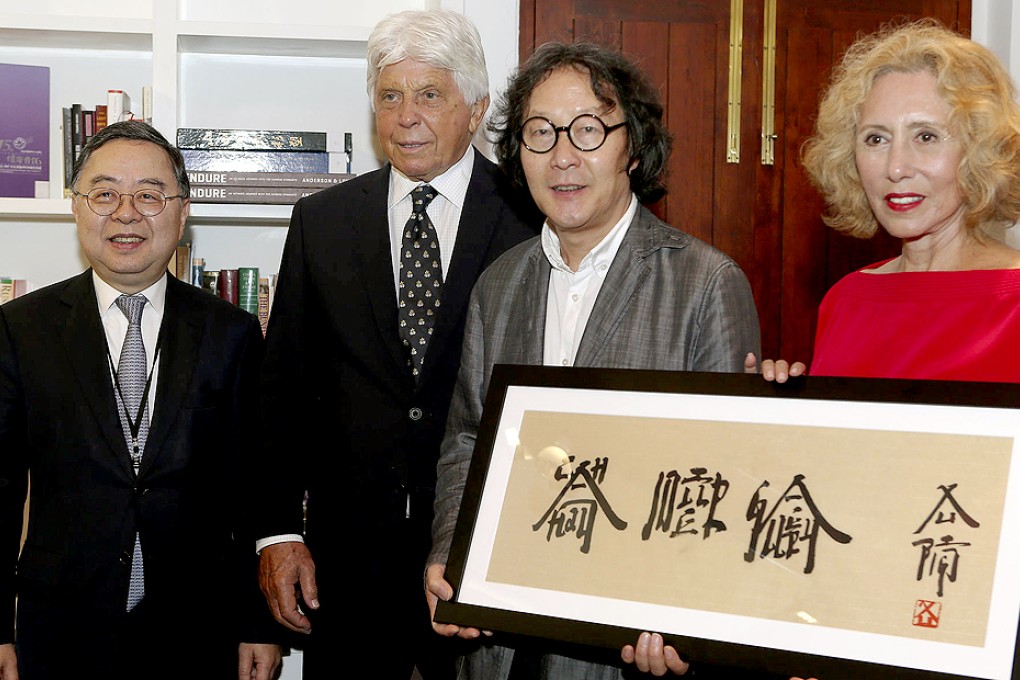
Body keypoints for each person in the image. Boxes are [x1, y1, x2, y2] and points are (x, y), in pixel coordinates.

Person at [425, 41, 761, 678]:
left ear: (632, 147)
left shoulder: (705, 283)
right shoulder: (498, 285)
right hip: (499, 640)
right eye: (540, 133)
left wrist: (686, 612)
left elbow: (730, 475)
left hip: (629, 645)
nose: (563, 157)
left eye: (588, 130)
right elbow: (467, 437)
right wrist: (451, 551)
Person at [251, 9, 540, 680]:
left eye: (429, 94)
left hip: (484, 558)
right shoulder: (322, 221)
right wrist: (278, 532)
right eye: (390, 96)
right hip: (345, 569)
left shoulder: (532, 217)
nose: (406, 115)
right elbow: (282, 391)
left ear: (476, 109)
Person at [0, 121, 282, 680]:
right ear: (76, 208)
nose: (126, 213)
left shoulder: (232, 333)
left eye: (150, 196)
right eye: (104, 194)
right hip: (60, 629)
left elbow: (255, 489)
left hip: (198, 631)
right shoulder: (19, 329)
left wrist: (258, 623)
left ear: (182, 214)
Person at [760, 19, 1020, 384]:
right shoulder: (846, 300)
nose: (895, 168)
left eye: (926, 136)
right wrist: (773, 408)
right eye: (876, 139)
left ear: (979, 150)